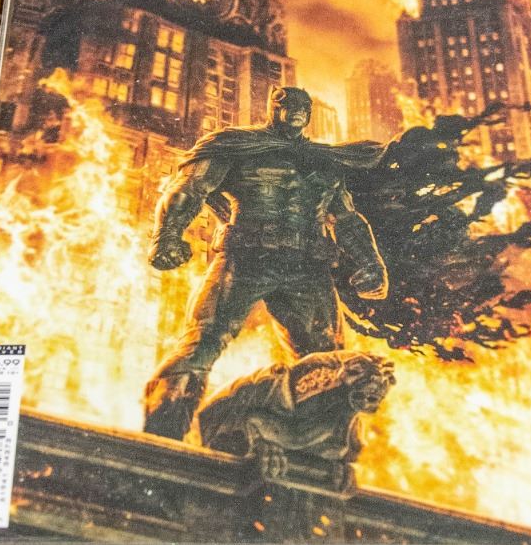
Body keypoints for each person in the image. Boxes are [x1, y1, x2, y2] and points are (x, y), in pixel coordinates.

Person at [144, 85, 388, 440]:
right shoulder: (238, 145)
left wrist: (372, 263)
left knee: (329, 361)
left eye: (303, 106)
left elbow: (346, 218)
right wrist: (166, 235)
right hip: (247, 257)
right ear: (273, 108)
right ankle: (160, 437)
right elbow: (190, 187)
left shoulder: (324, 161)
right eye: (288, 104)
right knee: (203, 343)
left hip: (306, 265)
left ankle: (311, 445)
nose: (296, 111)